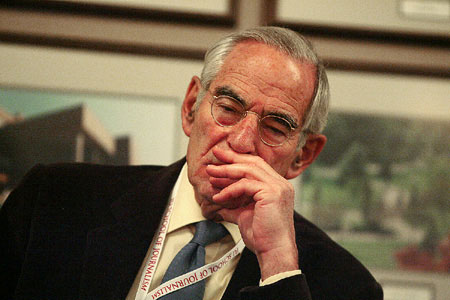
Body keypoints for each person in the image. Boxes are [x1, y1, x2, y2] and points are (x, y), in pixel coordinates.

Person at [0, 27, 383, 300]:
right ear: (190, 107)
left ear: (303, 154)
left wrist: (278, 262)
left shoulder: (345, 285)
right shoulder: (53, 200)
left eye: (275, 126)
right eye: (229, 109)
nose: (241, 141)